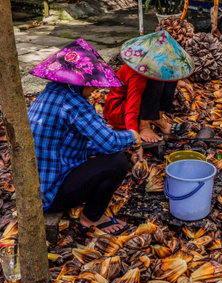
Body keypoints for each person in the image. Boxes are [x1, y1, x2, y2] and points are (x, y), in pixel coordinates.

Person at [28, 39, 140, 235]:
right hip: (49, 196)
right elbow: (109, 142)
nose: (94, 89)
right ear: (79, 82)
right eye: (92, 85)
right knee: (117, 162)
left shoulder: (50, 92)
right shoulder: (74, 103)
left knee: (109, 155)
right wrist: (133, 136)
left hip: (35, 187)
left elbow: (76, 142)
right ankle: (92, 217)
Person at [104, 31, 195, 143]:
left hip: (136, 107)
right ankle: (144, 124)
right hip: (120, 112)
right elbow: (132, 105)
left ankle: (157, 118)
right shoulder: (137, 76)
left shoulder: (150, 66)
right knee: (154, 82)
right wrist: (134, 132)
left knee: (169, 78)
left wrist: (179, 82)